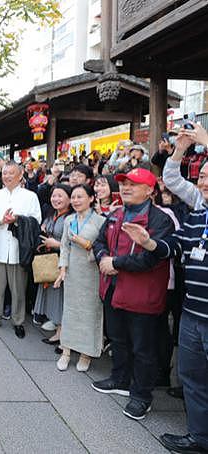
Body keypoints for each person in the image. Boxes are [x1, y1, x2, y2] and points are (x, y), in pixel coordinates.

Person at [119, 156, 208, 454]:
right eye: (202, 177)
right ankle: (199, 436)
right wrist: (149, 242)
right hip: (193, 312)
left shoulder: (166, 213)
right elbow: (174, 246)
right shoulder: (197, 216)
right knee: (192, 379)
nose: (203, 183)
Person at [91, 167, 175, 421]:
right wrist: (102, 257)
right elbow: (99, 242)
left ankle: (141, 396)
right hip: (113, 291)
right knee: (118, 339)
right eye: (124, 184)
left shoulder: (160, 220)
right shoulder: (116, 213)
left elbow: (152, 258)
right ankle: (120, 379)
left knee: (143, 348)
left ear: (150, 190)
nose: (125, 188)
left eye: (133, 184)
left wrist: (115, 263)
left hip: (142, 295)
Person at [0, 161, 42, 338]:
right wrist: (1, 221)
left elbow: (36, 220)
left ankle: (18, 321)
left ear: (20, 175)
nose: (7, 176)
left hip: (18, 251)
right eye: (5, 173)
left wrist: (17, 220)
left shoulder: (30, 196)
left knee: (18, 290)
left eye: (11, 173)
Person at [53, 185, 106, 372]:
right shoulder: (69, 219)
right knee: (70, 311)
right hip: (72, 272)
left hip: (91, 272)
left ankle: (86, 353)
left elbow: (104, 249)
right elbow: (65, 247)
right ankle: (66, 351)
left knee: (90, 313)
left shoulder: (100, 221)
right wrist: (63, 269)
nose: (75, 200)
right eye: (73, 197)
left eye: (80, 197)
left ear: (91, 198)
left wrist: (87, 245)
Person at [33, 184, 72, 344]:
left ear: (69, 198)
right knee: (54, 296)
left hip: (64, 262)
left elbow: (74, 243)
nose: (56, 199)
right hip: (50, 261)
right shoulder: (52, 214)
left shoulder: (71, 218)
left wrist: (56, 244)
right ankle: (58, 329)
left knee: (62, 297)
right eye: (54, 196)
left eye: (60, 196)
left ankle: (62, 334)